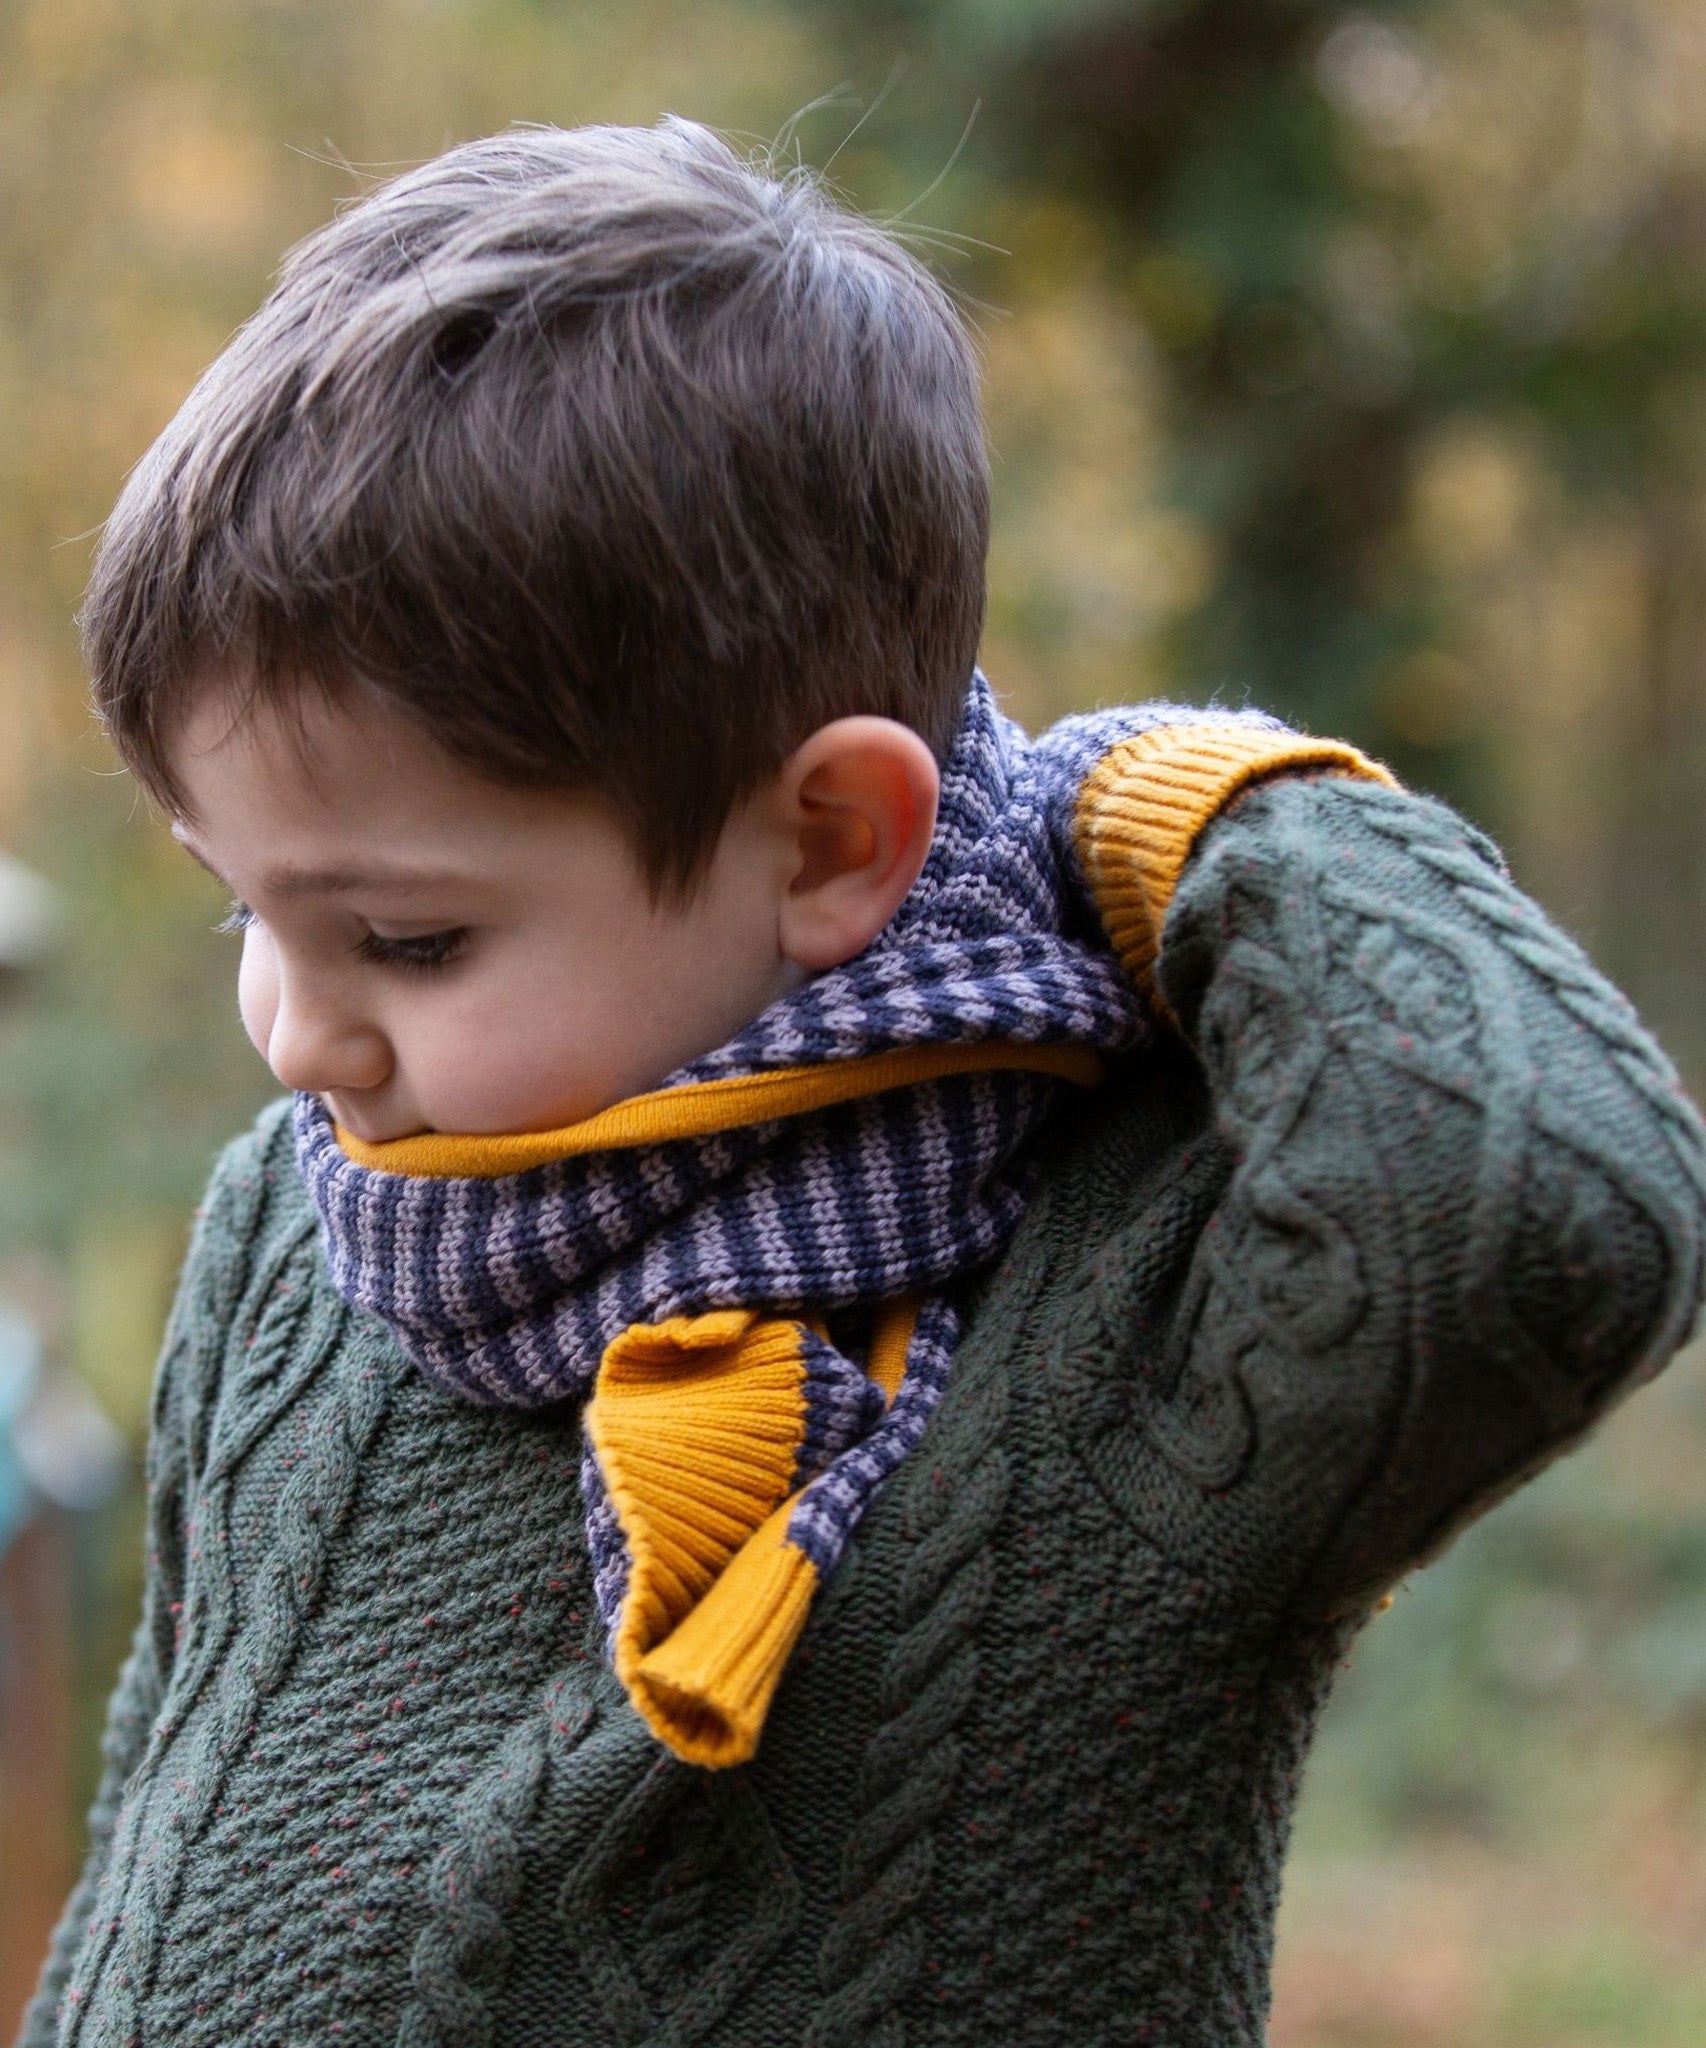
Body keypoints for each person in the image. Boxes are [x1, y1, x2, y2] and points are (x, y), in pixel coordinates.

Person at [21, 119, 1706, 2048]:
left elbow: (1546, 1207)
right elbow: (146, 1847)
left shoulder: (1128, 1303)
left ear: (830, 840)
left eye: (406, 939)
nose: (294, 1034)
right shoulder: (300, 1234)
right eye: (239, 905)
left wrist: (1168, 804)